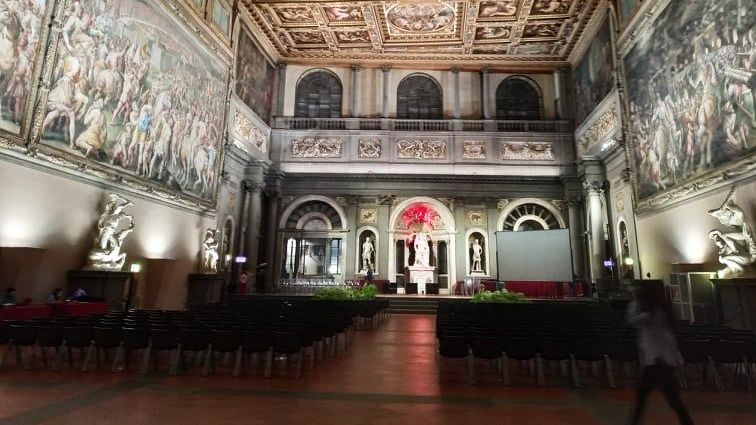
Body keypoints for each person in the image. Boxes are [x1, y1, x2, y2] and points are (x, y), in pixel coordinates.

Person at [627, 282, 693, 425]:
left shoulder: (651, 314)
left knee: (646, 395)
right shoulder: (662, 311)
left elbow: (632, 320)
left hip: (658, 360)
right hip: (663, 359)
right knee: (670, 398)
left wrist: (635, 301)